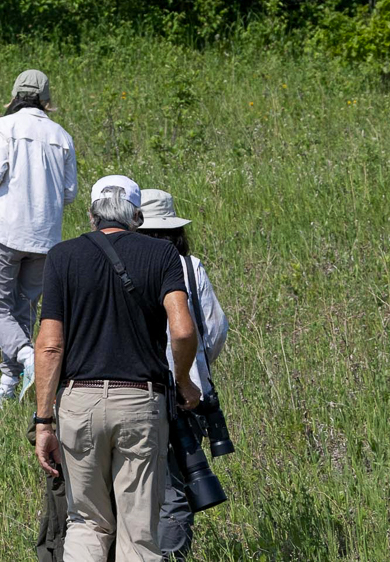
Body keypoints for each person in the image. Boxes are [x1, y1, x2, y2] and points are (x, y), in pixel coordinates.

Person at [32, 175, 200, 562]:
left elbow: (50, 344)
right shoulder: (161, 256)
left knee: (86, 523)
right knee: (138, 531)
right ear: (137, 217)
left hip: (79, 403)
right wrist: (184, 381)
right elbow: (183, 329)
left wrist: (44, 422)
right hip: (141, 401)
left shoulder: (62, 256)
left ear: (91, 215)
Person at [0, 70, 76, 404]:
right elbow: (69, 193)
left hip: (4, 230)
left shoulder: (3, 125)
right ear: (45, 99)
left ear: (14, 96)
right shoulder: (62, 136)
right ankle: (8, 385)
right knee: (23, 308)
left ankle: (27, 359)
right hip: (45, 238)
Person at [138, 188, 228, 561]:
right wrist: (191, 371)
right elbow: (215, 328)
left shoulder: (122, 264)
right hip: (184, 395)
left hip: (132, 390)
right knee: (177, 491)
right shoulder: (190, 266)